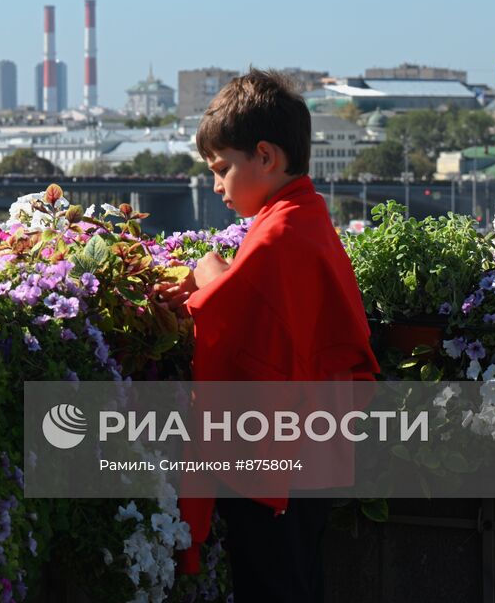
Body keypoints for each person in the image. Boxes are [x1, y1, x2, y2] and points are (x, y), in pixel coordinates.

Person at [153, 69, 378, 602]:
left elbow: (228, 310)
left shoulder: (278, 232)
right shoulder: (306, 214)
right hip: (314, 448)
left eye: (222, 168)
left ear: (266, 156)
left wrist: (208, 268)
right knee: (299, 579)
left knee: (272, 584)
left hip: (279, 455)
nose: (216, 185)